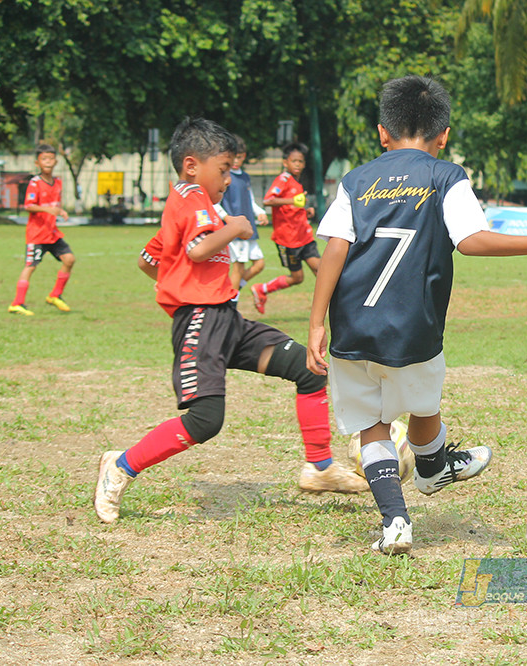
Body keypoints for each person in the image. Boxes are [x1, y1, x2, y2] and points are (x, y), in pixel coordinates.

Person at [306, 75, 527, 555]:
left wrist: (316, 323)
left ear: (381, 132)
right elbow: (471, 240)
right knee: (423, 408)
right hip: (413, 325)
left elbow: (335, 248)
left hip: (352, 324)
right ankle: (435, 469)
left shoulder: (355, 180)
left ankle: (396, 520)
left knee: (370, 426)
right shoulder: (445, 175)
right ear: (444, 136)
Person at [94, 118, 367, 525]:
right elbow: (201, 250)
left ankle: (320, 467)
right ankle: (120, 466)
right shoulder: (191, 197)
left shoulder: (189, 203)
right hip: (201, 322)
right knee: (205, 420)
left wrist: (179, 279)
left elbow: (149, 259)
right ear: (191, 166)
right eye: (223, 169)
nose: (229, 177)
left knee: (307, 370)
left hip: (226, 318)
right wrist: (236, 227)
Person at [251, 143, 319, 314]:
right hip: (288, 240)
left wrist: (305, 211)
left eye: (301, 161)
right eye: (294, 161)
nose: (298, 164)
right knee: (297, 278)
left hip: (304, 236)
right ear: (285, 162)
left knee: (322, 271)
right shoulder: (283, 179)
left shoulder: (296, 182)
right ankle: (262, 289)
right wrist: (293, 201)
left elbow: (293, 206)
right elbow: (268, 200)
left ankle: (337, 306)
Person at [8, 144, 75, 315]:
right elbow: (29, 206)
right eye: (44, 159)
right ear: (37, 162)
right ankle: (17, 303)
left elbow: (53, 205)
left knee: (69, 260)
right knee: (30, 266)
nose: (48, 162)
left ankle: (55, 295)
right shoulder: (35, 183)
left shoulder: (58, 182)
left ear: (56, 161)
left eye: (51, 159)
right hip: (37, 235)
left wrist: (60, 211)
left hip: (52, 233)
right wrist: (48, 210)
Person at [213, 135, 267, 301]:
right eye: (233, 157)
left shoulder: (245, 177)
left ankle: (231, 291)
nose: (236, 160)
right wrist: (227, 217)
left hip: (248, 228)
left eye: (239, 156)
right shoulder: (225, 178)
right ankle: (231, 303)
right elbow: (215, 202)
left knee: (259, 264)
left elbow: (249, 200)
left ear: (244, 156)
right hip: (235, 230)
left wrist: (260, 212)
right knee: (238, 267)